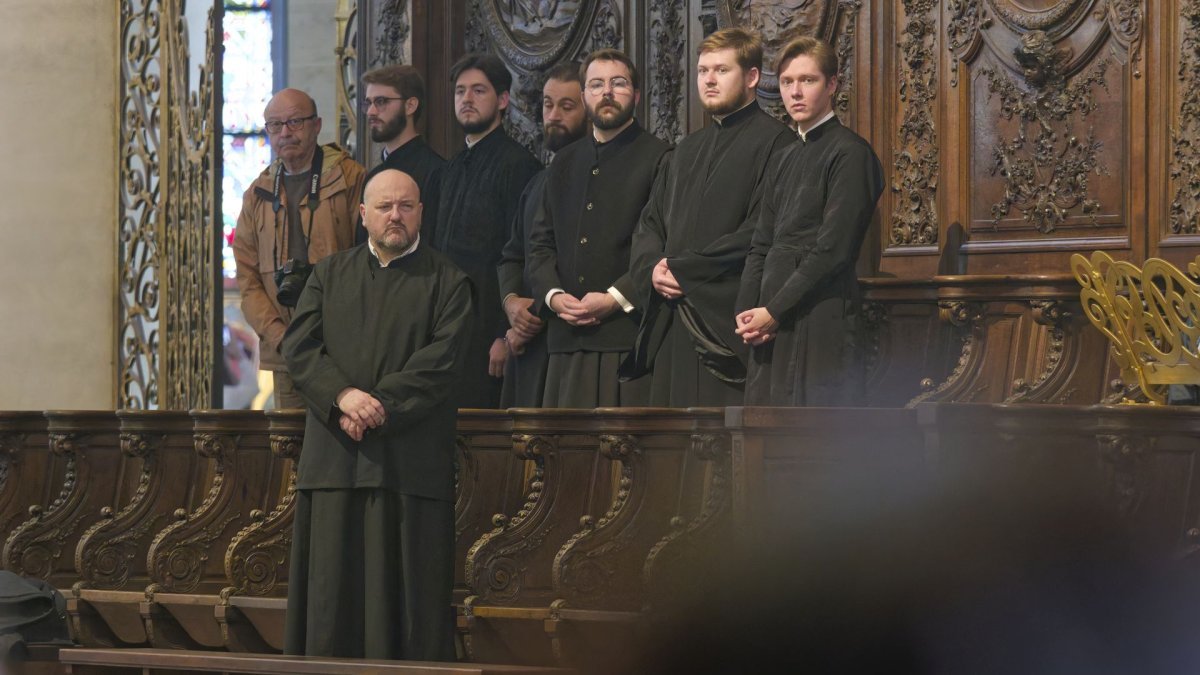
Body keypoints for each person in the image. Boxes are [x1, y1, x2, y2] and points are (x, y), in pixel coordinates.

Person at [281, 168, 473, 661]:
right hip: (335, 466)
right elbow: (300, 350)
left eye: (406, 206)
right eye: (385, 206)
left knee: (407, 613)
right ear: (363, 214)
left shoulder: (448, 281)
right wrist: (343, 396)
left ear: (421, 214)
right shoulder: (328, 274)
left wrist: (377, 405)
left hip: (407, 468)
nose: (396, 216)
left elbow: (441, 363)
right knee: (330, 607)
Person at [618, 28, 795, 406]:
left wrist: (687, 270)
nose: (709, 80)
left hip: (723, 324)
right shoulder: (684, 150)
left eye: (721, 70)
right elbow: (650, 224)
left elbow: (762, 231)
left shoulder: (778, 143)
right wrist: (653, 268)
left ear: (751, 77)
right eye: (702, 71)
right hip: (672, 318)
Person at [734, 37, 883, 406]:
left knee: (813, 439)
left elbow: (833, 250)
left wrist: (773, 311)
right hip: (770, 320)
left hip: (821, 316)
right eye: (786, 82)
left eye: (808, 80)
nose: (795, 92)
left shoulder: (850, 153)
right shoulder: (784, 156)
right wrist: (746, 313)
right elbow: (761, 244)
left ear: (832, 84)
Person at [527, 50, 670, 407]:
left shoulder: (661, 157)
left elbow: (665, 243)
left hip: (626, 336)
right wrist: (554, 297)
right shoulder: (563, 162)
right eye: (596, 84)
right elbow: (540, 245)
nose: (607, 92)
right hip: (563, 339)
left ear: (636, 95)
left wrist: (613, 299)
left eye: (618, 83)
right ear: (585, 95)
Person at [232, 88, 366, 409]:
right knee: (291, 449)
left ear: (317, 125)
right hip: (286, 355)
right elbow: (247, 279)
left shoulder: (350, 179)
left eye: (295, 122)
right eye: (275, 126)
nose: (285, 133)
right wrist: (281, 337)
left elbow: (368, 263)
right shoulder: (258, 193)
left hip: (341, 349)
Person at [433, 53, 542, 409]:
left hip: (490, 334)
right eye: (460, 91)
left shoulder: (519, 165)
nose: (466, 99)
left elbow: (521, 255)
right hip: (450, 330)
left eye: (478, 91)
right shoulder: (450, 168)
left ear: (502, 100)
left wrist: (504, 334)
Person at [497, 62, 589, 407]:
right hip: (528, 346)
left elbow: (576, 262)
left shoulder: (595, 179)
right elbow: (512, 255)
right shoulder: (539, 180)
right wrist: (510, 303)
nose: (553, 115)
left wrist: (530, 314)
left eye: (566, 106)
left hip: (569, 340)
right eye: (548, 105)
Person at [358, 64, 445, 244]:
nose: (371, 112)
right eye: (368, 103)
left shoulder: (437, 172)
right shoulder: (373, 176)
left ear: (410, 105)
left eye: (381, 101)